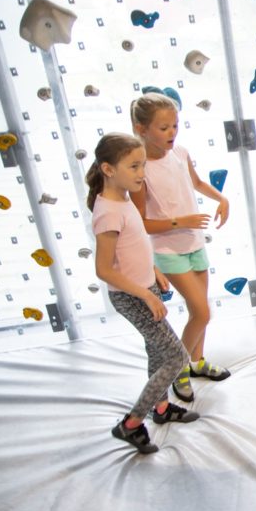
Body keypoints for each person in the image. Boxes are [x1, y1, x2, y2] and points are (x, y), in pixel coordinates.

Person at [86, 133, 198, 454]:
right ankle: (132, 423)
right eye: (134, 167)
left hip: (144, 287)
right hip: (131, 296)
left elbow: (133, 247)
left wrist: (154, 272)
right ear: (108, 169)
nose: (141, 173)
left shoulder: (124, 199)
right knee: (177, 357)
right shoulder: (108, 212)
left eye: (143, 165)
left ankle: (160, 408)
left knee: (157, 351)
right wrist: (146, 295)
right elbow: (104, 270)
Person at [131, 93, 230, 404]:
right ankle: (178, 367)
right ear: (141, 129)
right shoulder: (140, 169)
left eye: (175, 125)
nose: (172, 133)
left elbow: (197, 183)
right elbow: (141, 223)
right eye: (163, 128)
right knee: (202, 312)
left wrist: (222, 198)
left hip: (195, 243)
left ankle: (196, 361)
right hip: (168, 251)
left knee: (199, 311)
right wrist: (180, 221)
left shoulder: (181, 153)